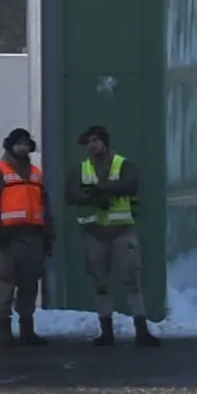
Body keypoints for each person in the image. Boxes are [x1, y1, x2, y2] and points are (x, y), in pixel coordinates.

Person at [64, 124, 153, 340]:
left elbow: (131, 185)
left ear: (105, 141)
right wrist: (93, 198)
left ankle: (141, 330)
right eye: (89, 142)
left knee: (132, 281)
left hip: (122, 231)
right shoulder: (81, 168)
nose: (92, 146)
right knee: (100, 283)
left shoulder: (123, 164)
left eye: (96, 140)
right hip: (95, 233)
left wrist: (103, 190)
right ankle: (106, 332)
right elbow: (71, 194)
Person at [0, 126, 56, 348]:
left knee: (30, 286)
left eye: (26, 143)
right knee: (7, 284)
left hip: (34, 238)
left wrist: (49, 236)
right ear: (10, 146)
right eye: (18, 143)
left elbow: (45, 207)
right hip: (7, 240)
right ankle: (5, 330)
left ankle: (27, 330)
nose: (22, 147)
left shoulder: (36, 174)